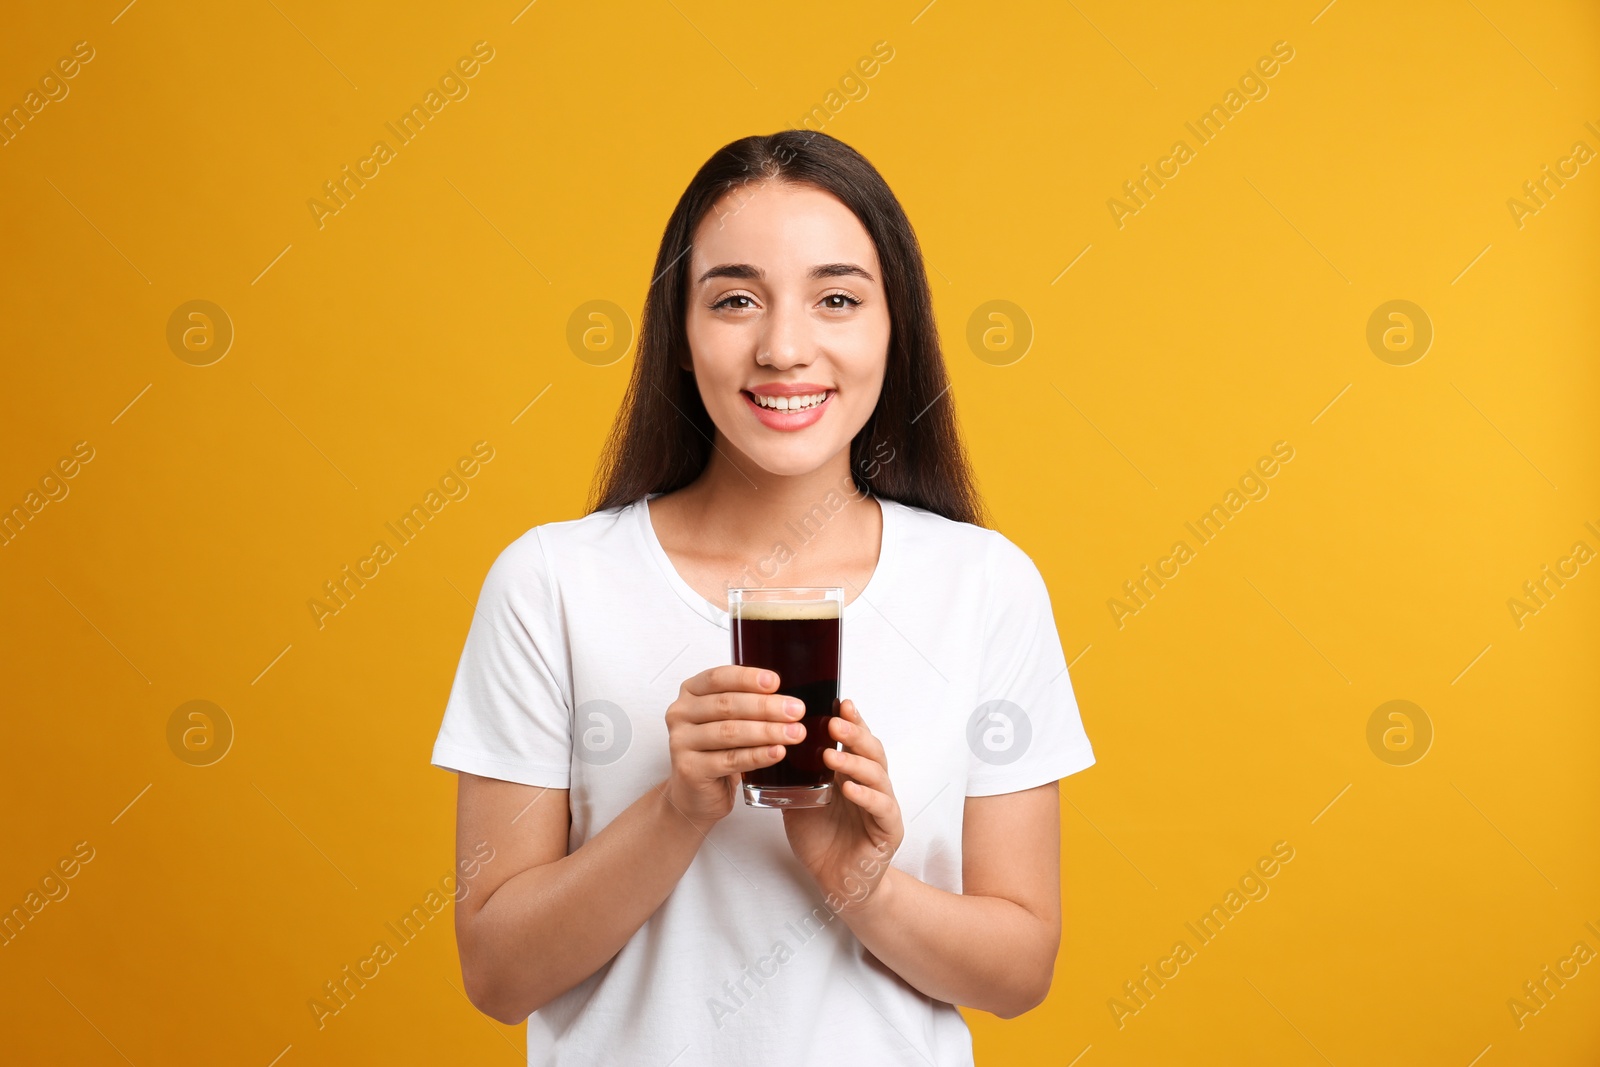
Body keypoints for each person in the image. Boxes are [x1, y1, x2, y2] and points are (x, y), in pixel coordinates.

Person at [430, 129, 1096, 1065]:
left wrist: (859, 878)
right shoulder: (552, 584)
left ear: (894, 327)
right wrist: (678, 809)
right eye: (735, 298)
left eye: (837, 298)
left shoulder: (984, 587)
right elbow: (497, 975)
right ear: (680, 332)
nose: (785, 347)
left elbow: (1020, 971)